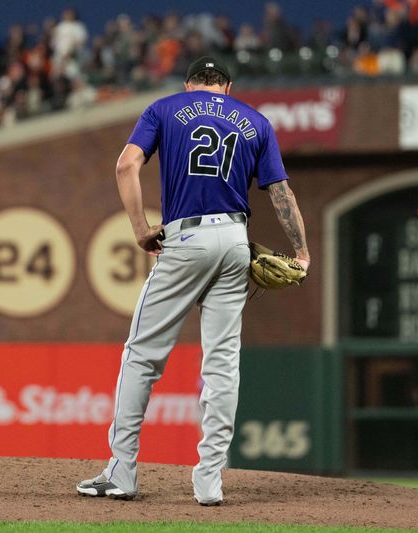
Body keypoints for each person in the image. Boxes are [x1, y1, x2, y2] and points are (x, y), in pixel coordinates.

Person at [76, 56, 309, 506]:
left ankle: (122, 472)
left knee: (142, 355)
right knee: (222, 362)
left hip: (187, 236)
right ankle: (209, 482)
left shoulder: (164, 109)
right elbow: (281, 192)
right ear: (227, 86)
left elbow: (127, 166)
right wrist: (300, 251)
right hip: (235, 240)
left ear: (189, 85)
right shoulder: (256, 121)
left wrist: (142, 229)